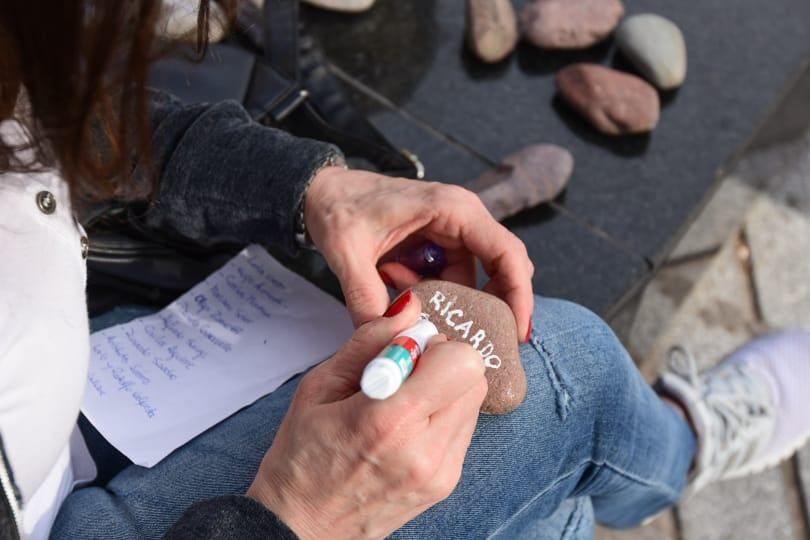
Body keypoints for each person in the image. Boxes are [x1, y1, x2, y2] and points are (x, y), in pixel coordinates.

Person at [0, 2, 808, 539]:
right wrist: (296, 516)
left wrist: (312, 189)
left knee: (540, 503)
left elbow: (46, 120)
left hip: (69, 425)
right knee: (571, 376)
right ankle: (683, 444)